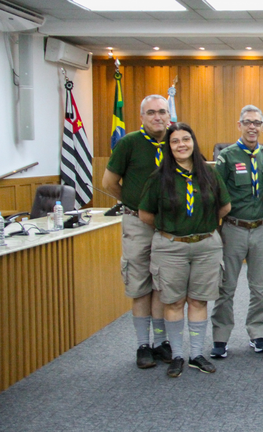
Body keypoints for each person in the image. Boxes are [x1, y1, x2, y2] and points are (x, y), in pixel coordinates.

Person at [138, 122, 232, 377]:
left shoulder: (209, 174)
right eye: (175, 141)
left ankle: (196, 354)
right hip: (171, 248)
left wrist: (202, 226)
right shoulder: (158, 178)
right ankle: (178, 354)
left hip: (205, 247)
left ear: (193, 142)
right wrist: (172, 229)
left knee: (199, 300)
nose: (181, 145)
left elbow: (224, 207)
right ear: (169, 147)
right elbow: (145, 214)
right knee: (174, 301)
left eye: (186, 139)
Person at [102, 94, 173, 369]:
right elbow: (109, 182)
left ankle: (161, 342)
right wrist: (135, 205)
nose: (158, 117)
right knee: (140, 285)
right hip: (137, 224)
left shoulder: (175, 141)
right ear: (142, 117)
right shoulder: (129, 142)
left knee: (162, 286)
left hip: (167, 226)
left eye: (163, 112)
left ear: (169, 116)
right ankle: (143, 345)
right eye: (152, 112)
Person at [210, 105, 263, 359]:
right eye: (247, 122)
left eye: (257, 123)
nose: (252, 127)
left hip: (260, 229)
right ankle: (220, 337)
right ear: (239, 125)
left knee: (260, 286)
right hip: (233, 229)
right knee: (226, 286)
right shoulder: (227, 156)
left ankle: (257, 333)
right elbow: (215, 195)